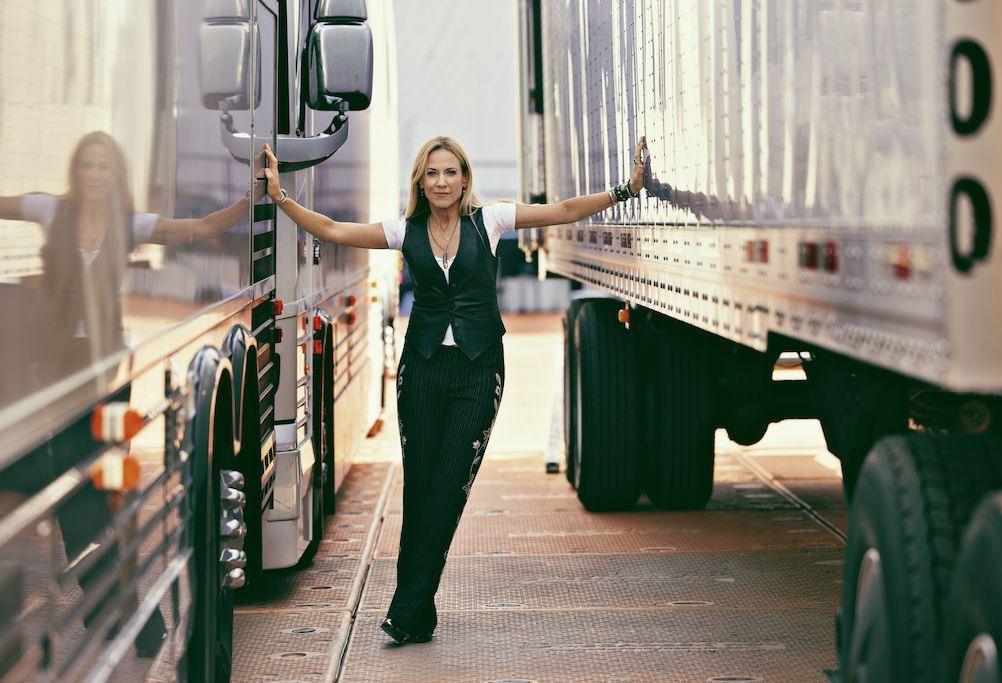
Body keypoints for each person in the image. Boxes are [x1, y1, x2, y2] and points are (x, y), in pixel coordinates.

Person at [261, 134, 646, 644]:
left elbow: (566, 209)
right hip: (421, 370)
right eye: (432, 173)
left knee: (448, 489)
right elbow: (333, 229)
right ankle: (418, 614)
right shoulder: (406, 231)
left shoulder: (492, 221)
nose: (441, 182)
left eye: (450, 173)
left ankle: (405, 607)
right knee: (420, 490)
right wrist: (279, 196)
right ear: (420, 180)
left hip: (478, 370)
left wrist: (625, 189)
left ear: (465, 178)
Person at [0, 130, 255, 659]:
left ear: (115, 175)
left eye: (104, 167)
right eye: (88, 166)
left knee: (94, 488)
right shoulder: (53, 212)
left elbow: (200, 228)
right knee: (73, 489)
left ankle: (128, 617)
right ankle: (125, 615)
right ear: (77, 172)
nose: (95, 175)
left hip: (106, 376)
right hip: (55, 373)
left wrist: (252, 198)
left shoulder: (129, 225)